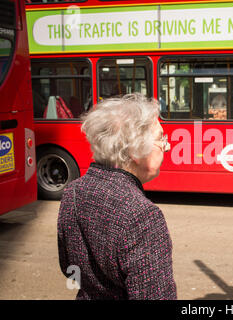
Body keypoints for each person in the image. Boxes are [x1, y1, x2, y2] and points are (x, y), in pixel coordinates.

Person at [57, 93, 176, 300]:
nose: (167, 146)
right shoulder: (143, 216)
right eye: (160, 138)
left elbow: (70, 268)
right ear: (135, 151)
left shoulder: (73, 192)